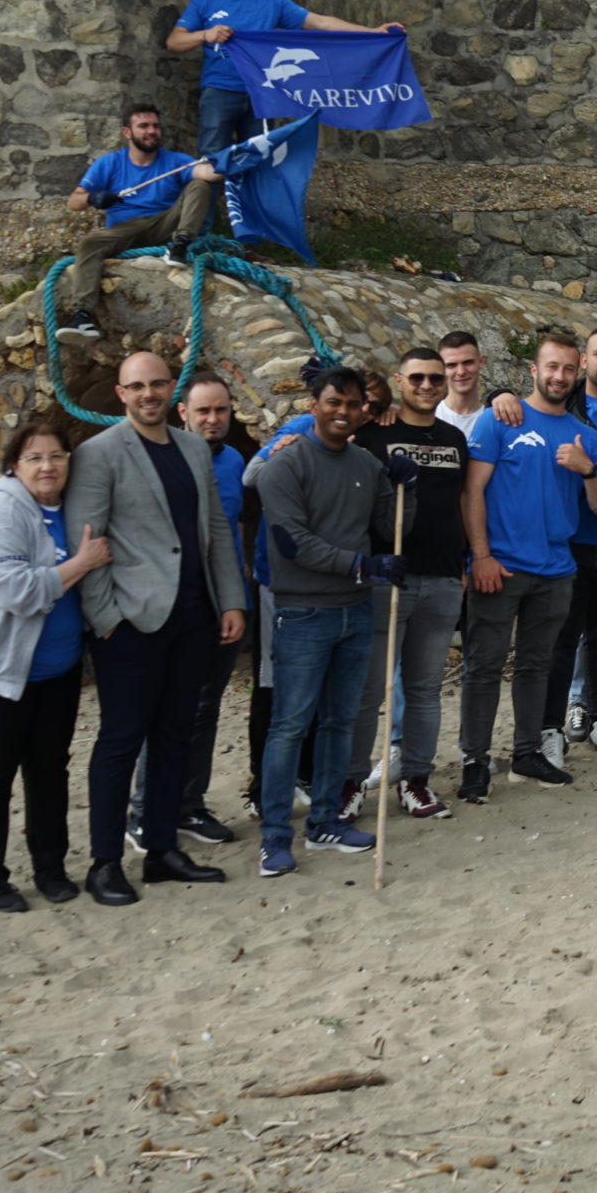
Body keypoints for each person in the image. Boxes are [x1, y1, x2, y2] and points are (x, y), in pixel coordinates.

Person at [63, 351, 249, 903]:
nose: (148, 394)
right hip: (131, 623)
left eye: (157, 384)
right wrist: (108, 621)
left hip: (194, 617)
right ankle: (104, 864)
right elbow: (86, 541)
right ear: (121, 393)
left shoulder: (194, 447)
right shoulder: (96, 455)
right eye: (136, 386)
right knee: (121, 743)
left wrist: (230, 601)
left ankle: (163, 849)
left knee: (175, 737)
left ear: (171, 389)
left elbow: (213, 525)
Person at [255, 366, 417, 876]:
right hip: (303, 612)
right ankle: (275, 835)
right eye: (333, 403)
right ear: (314, 405)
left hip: (355, 609)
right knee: (289, 725)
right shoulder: (285, 466)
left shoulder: (367, 465)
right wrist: (359, 565)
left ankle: (325, 820)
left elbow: (394, 529)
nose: (343, 412)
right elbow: (291, 542)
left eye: (353, 404)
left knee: (340, 721)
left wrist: (401, 489)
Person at [0, 419, 111, 911]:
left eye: (57, 456)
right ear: (15, 466)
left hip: (56, 671)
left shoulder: (69, 509)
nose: (47, 466)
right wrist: (80, 564)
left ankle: (50, 868)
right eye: (35, 457)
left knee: (48, 772)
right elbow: (14, 590)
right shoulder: (2, 515)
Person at [457, 330, 597, 803]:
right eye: (552, 367)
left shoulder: (586, 437)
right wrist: (480, 556)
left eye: (569, 368)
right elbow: (472, 493)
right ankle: (475, 759)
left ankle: (526, 752)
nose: (560, 376)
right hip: (499, 566)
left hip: (556, 569)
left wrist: (587, 469)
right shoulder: (498, 420)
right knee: (483, 666)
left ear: (579, 370)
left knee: (536, 665)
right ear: (534, 370)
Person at [349, 347, 470, 816]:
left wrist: (465, 559)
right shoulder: (373, 435)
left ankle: (416, 779)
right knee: (368, 688)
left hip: (442, 578)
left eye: (435, 379)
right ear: (399, 380)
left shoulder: (453, 440)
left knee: (424, 688)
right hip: (388, 578)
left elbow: (461, 502)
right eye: (417, 378)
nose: (427, 386)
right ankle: (350, 781)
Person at [126, 376, 246, 848]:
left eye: (220, 411)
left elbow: (230, 530)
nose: (212, 420)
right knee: (160, 712)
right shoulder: (162, 460)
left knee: (204, 711)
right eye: (203, 412)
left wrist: (234, 599)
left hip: (221, 604)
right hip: (170, 606)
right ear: (183, 413)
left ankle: (187, 804)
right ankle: (143, 810)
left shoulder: (234, 460)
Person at [165, 0, 405, 156]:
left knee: (260, 162)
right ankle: (210, 204)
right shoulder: (204, 2)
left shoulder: (271, 1)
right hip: (219, 90)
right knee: (211, 160)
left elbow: (320, 22)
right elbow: (174, 41)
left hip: (262, 94)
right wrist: (205, 35)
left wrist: (372, 32)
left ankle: (255, 205)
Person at [53, 105, 221, 340]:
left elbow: (207, 173)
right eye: (143, 126)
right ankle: (82, 315)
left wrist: (228, 163)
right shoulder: (109, 163)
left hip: (165, 225)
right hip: (126, 229)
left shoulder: (175, 160)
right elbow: (73, 201)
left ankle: (180, 245)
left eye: (155, 126)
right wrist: (93, 197)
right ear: (127, 132)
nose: (151, 131)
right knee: (90, 243)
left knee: (200, 186)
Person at [435, 331, 490, 439]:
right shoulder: (429, 418)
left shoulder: (496, 419)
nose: (461, 372)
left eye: (468, 362)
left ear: (481, 362)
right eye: (451, 365)